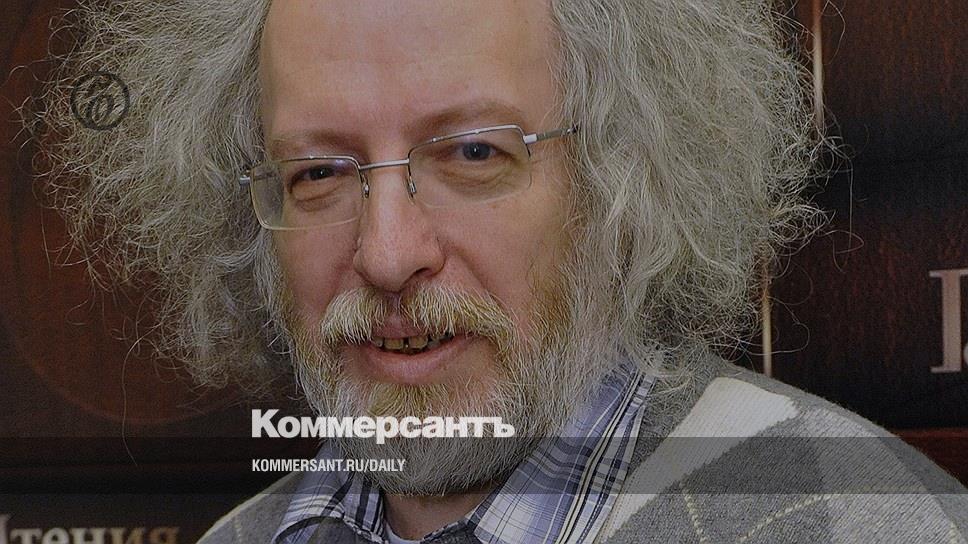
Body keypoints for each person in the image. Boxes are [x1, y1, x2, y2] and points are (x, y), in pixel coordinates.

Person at [32, 0, 967, 542]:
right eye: (317, 172)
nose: (388, 252)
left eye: (474, 153)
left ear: (621, 177)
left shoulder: (849, 517)